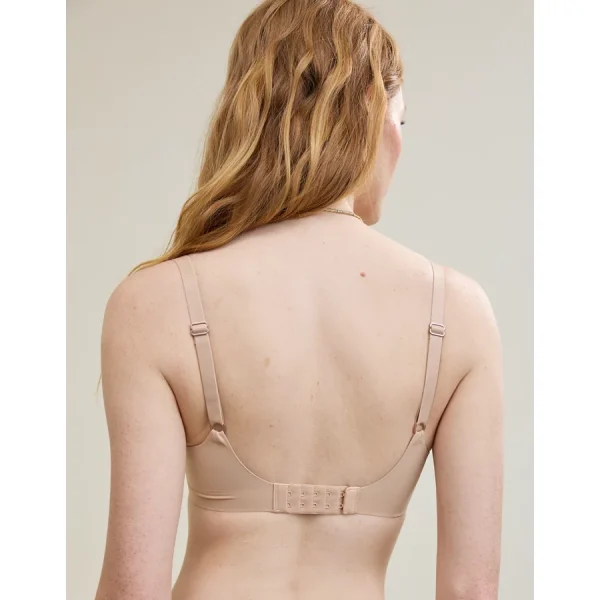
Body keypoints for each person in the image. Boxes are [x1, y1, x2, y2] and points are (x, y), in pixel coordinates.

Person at [95, 1, 503, 599]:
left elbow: (132, 589)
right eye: (401, 121)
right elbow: (471, 590)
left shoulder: (152, 305)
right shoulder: (459, 314)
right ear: (372, 115)